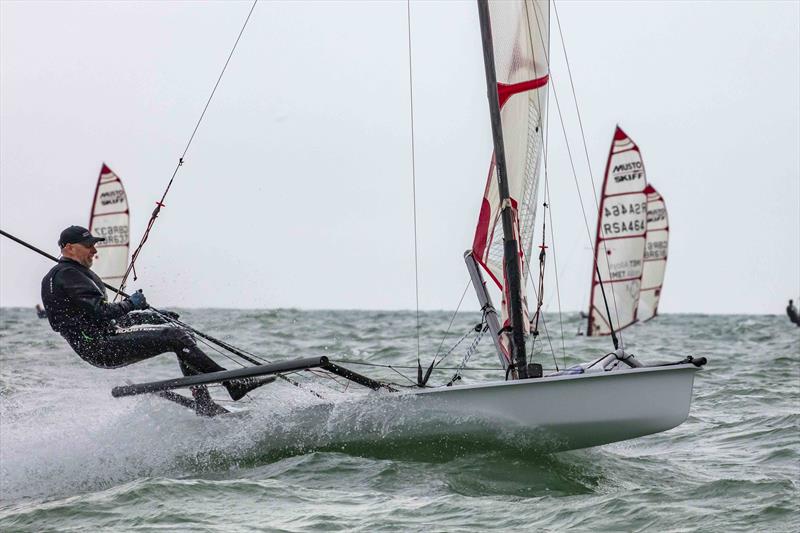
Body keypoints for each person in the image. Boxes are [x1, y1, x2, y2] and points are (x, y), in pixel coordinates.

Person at [41, 225, 267, 414]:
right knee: (175, 337)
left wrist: (151, 316)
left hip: (99, 344)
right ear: (69, 248)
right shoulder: (68, 275)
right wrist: (132, 303)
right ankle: (232, 384)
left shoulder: (64, 275)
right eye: (88, 245)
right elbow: (102, 313)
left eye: (94, 245)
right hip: (100, 347)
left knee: (180, 335)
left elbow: (103, 320)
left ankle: (204, 402)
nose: (94, 250)